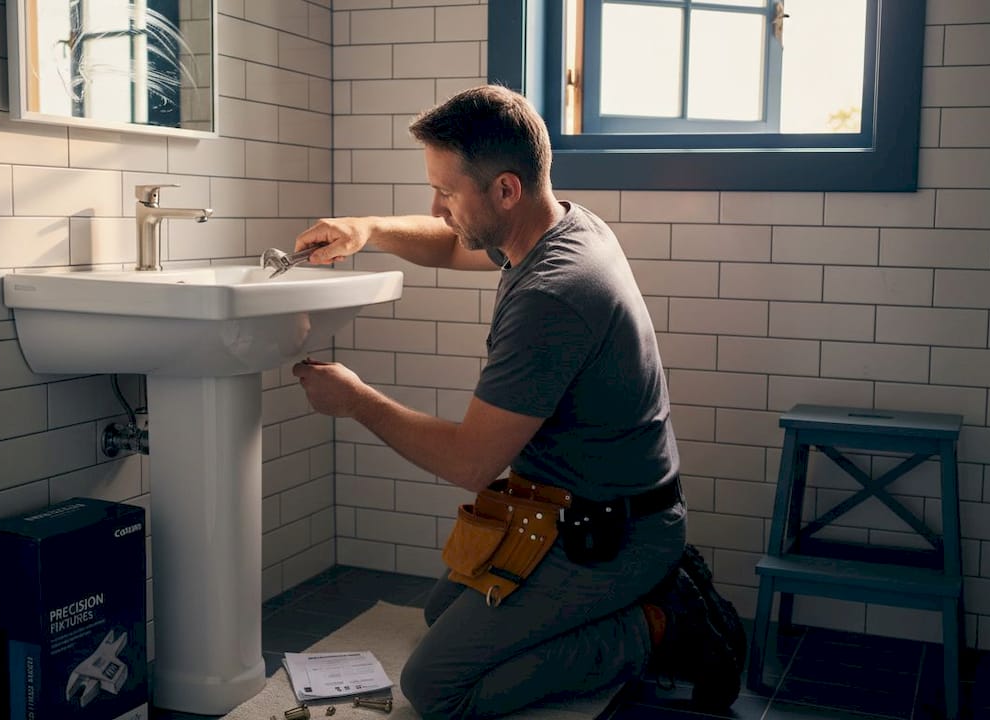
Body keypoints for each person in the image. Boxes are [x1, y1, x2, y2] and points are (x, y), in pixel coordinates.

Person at [291, 85, 739, 719]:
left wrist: (356, 400)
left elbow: (472, 464)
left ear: (505, 190)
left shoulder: (554, 296)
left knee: (437, 688)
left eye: (446, 191)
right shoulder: (559, 223)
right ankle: (608, 611)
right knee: (442, 612)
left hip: (611, 533)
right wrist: (366, 230)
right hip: (572, 510)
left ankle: (659, 627)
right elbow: (451, 243)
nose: (436, 206)